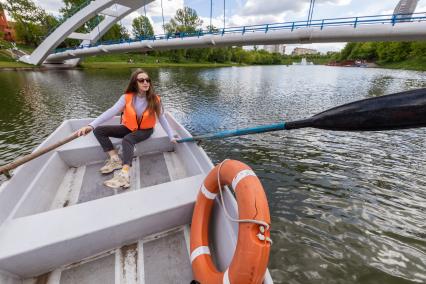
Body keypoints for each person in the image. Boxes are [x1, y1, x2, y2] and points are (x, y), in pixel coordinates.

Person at [76, 69, 177, 189]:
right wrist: (91, 125)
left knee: (128, 139)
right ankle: (115, 159)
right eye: (141, 80)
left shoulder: (155, 99)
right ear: (135, 83)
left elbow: (162, 119)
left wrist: (171, 135)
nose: (145, 82)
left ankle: (124, 174)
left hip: (145, 130)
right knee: (99, 131)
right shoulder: (126, 98)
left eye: (147, 80)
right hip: (129, 127)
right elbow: (111, 112)